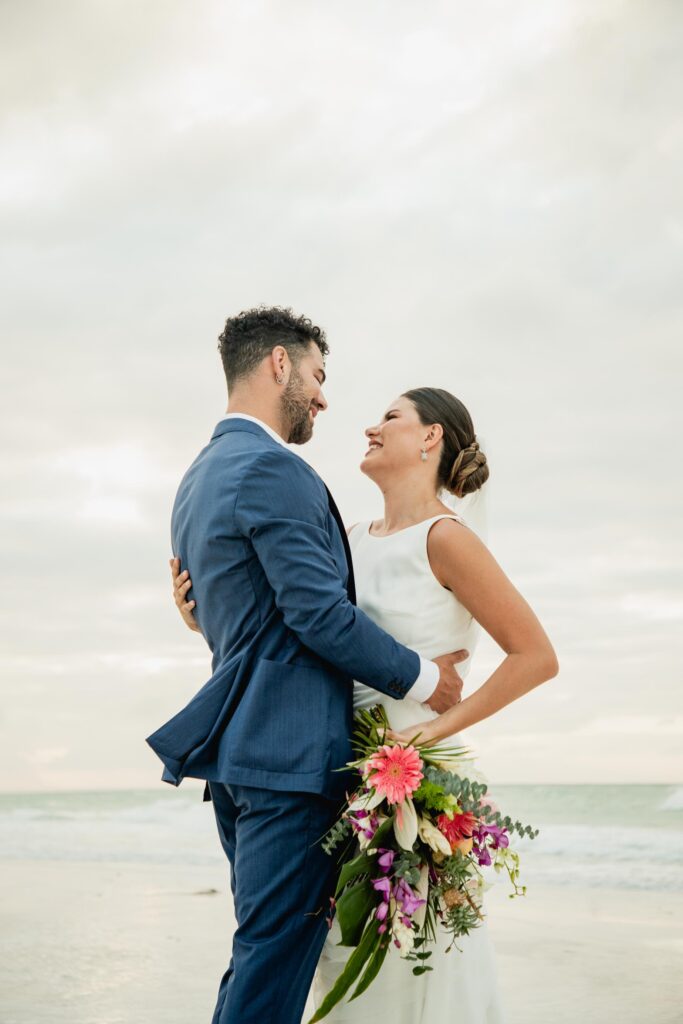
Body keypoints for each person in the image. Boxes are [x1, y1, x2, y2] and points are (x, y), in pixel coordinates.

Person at [171, 380, 559, 1022]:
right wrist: (199, 616)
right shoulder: (347, 536)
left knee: (410, 960)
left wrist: (433, 734)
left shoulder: (447, 538)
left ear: (430, 437)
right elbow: (303, 623)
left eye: (390, 417)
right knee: (333, 963)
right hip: (335, 772)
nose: (370, 429)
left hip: (414, 777)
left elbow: (536, 657)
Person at [146, 307, 467, 1024]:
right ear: (278, 365)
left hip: (241, 761)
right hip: (289, 765)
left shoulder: (196, 480)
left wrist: (195, 617)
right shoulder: (270, 467)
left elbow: (242, 615)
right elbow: (316, 615)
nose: (324, 397)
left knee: (261, 958)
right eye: (319, 375)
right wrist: (427, 679)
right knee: (269, 973)